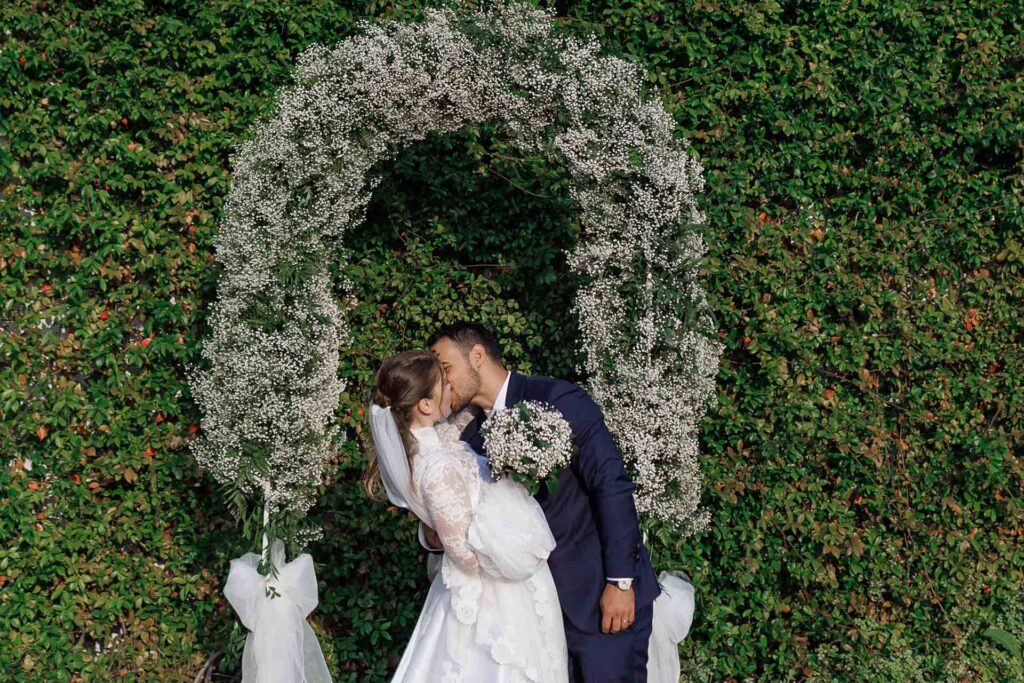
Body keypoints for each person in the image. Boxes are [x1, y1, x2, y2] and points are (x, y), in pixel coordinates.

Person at [420, 321, 661, 682]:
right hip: (531, 619)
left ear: (478, 355)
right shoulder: (468, 435)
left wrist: (621, 581)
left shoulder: (557, 399)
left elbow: (611, 485)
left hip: (598, 600)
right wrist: (433, 535)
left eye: (446, 367)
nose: (442, 380)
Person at [366, 350, 569, 683]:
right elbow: (463, 553)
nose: (452, 386)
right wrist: (509, 544)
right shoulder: (436, 468)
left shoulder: (432, 443)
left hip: (504, 584)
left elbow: (456, 429)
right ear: (426, 406)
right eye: (444, 382)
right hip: (493, 596)